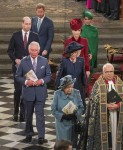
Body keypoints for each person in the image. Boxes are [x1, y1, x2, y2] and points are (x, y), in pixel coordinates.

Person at [15, 41, 51, 144]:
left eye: (36, 50)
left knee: (40, 115)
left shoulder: (44, 61)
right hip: (28, 93)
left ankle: (41, 136)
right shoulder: (23, 61)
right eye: (32, 50)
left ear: (39, 50)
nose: (34, 52)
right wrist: (26, 82)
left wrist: (42, 81)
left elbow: (48, 76)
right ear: (29, 50)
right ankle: (28, 135)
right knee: (28, 115)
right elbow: (17, 76)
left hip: (40, 93)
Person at [82, 63, 123, 150]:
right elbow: (93, 101)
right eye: (107, 72)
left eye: (111, 71)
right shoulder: (98, 84)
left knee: (116, 134)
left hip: (117, 115)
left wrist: (118, 105)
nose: (109, 74)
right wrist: (105, 105)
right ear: (103, 73)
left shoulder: (120, 83)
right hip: (102, 118)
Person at [7, 16, 39, 122]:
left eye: (29, 24)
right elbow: (10, 50)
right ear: (22, 24)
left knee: (27, 91)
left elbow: (38, 51)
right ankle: (15, 112)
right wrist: (15, 59)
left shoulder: (35, 36)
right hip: (17, 68)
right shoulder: (15, 35)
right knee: (18, 90)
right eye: (26, 24)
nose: (28, 26)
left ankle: (23, 114)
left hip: (29, 69)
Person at [51, 75, 84, 149]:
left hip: (73, 124)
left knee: (73, 145)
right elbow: (53, 110)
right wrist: (63, 116)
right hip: (62, 125)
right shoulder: (57, 94)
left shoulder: (76, 92)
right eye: (67, 88)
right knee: (63, 145)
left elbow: (81, 107)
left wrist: (76, 115)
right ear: (63, 88)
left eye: (71, 87)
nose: (70, 89)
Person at [56, 41, 86, 109]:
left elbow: (83, 75)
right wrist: (57, 87)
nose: (73, 54)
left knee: (79, 109)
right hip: (67, 89)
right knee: (68, 110)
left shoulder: (81, 61)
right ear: (69, 53)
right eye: (72, 53)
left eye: (75, 52)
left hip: (79, 88)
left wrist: (85, 87)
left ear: (77, 53)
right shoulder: (64, 61)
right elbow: (59, 75)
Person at [81, 11, 98, 76]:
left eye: (89, 19)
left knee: (89, 70)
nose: (87, 21)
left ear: (91, 20)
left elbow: (95, 44)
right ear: (83, 19)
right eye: (86, 19)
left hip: (91, 52)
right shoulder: (81, 29)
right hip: (82, 52)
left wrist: (92, 54)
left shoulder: (94, 30)